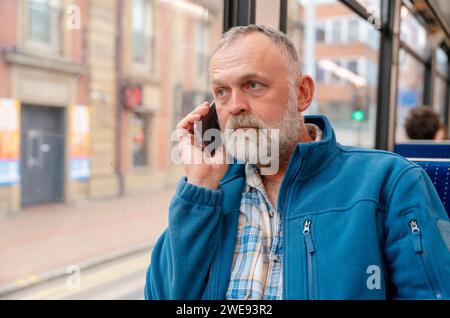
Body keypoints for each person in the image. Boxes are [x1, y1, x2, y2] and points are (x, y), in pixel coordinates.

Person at [145, 25, 450, 300]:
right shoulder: (210, 194)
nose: (234, 106)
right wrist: (200, 186)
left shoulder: (389, 181)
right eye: (222, 92)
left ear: (302, 93)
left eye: (252, 85)